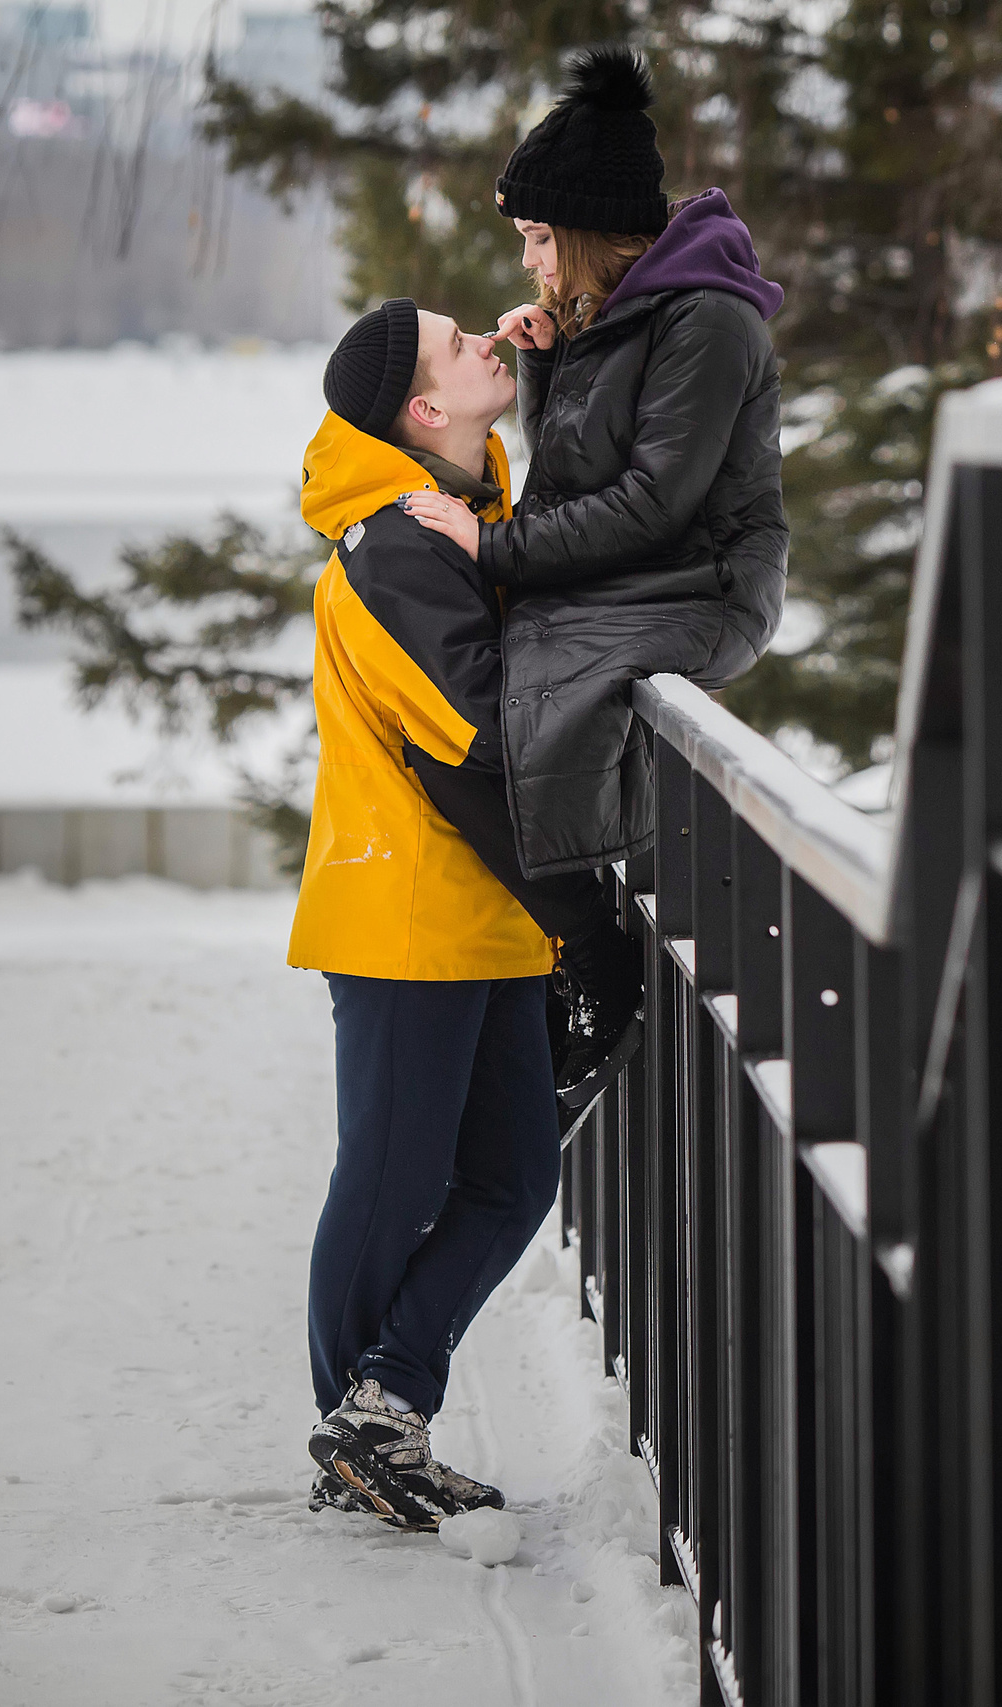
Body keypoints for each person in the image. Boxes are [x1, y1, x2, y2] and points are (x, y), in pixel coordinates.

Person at [289, 298, 629, 1531]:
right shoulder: (393, 548)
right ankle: (357, 1431)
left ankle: (378, 1409)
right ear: (423, 413)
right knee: (389, 1183)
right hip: (404, 915)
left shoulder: (462, 523)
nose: (486, 335)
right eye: (458, 345)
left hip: (478, 916)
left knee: (511, 1176)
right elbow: (483, 720)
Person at [396, 47, 785, 886]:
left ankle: (585, 928)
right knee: (490, 687)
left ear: (584, 229)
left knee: (546, 698)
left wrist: (489, 544)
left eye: (539, 239)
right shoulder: (611, 313)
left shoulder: (707, 322)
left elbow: (651, 504)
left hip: (702, 585)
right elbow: (576, 476)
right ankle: (578, 922)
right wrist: (543, 366)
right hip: (643, 574)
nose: (531, 263)